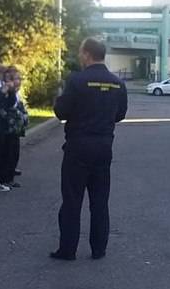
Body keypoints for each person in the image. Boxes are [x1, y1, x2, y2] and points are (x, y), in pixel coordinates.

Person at [51, 38, 128, 261]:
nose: (79, 56)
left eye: (80, 53)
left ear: (86, 54)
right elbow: (120, 114)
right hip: (104, 147)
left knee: (72, 200)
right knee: (100, 201)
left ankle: (68, 250)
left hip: (78, 147)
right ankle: (98, 249)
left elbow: (61, 112)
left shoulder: (77, 80)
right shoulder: (118, 83)